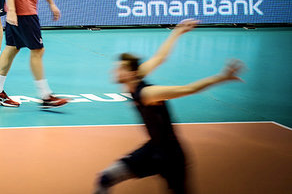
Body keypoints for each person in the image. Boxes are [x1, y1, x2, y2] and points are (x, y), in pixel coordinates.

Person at [93, 19, 244, 194]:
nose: (115, 71)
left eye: (120, 69)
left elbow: (188, 89)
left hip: (172, 157)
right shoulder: (136, 78)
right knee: (105, 178)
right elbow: (160, 57)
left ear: (132, 73)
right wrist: (177, 31)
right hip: (152, 150)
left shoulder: (148, 94)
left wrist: (222, 77)